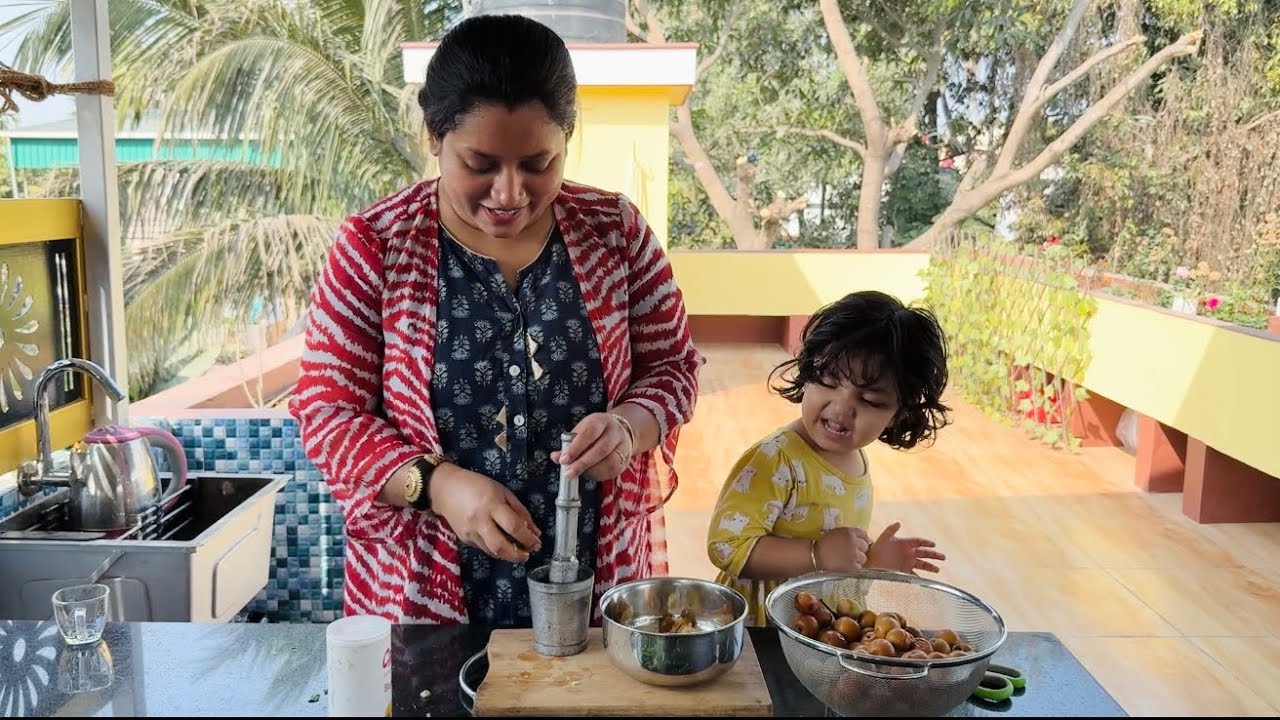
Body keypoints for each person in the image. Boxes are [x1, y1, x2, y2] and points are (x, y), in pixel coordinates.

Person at [289, 13, 704, 626]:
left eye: (539, 164)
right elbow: (327, 414)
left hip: (593, 580)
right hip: (423, 588)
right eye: (480, 163)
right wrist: (435, 485)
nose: (509, 192)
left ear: (567, 139)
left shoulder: (614, 232)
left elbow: (674, 367)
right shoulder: (377, 245)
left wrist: (630, 426)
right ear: (434, 135)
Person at [705, 291, 951, 626]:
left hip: (820, 633)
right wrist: (816, 554)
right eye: (829, 381)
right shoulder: (775, 460)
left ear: (898, 414)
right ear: (807, 372)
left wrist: (871, 560)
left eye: (870, 400)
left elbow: (838, 557)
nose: (841, 408)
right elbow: (726, 546)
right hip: (763, 634)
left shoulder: (856, 460)